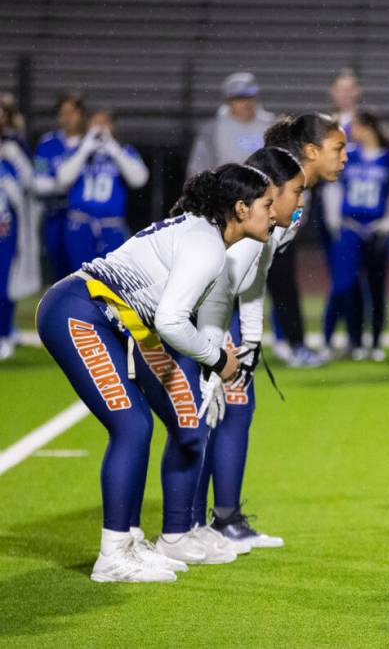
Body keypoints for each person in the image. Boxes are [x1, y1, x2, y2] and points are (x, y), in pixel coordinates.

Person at [35, 164, 275, 582]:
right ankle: (113, 555)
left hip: (111, 318)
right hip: (82, 311)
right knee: (131, 426)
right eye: (267, 204)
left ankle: (128, 542)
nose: (274, 213)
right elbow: (170, 321)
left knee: (157, 421)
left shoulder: (203, 234)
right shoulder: (208, 246)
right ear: (240, 207)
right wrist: (217, 358)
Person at [192, 115, 347, 548]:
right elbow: (225, 270)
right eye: (338, 147)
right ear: (311, 151)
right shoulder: (273, 189)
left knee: (231, 408)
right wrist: (214, 342)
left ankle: (216, 520)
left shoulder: (293, 197)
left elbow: (255, 270)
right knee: (213, 411)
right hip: (201, 307)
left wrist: (254, 337)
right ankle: (195, 525)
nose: (345, 157)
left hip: (219, 308)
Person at [322, 110, 389, 361]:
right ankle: (354, 341)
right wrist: (334, 220)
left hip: (378, 227)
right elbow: (333, 187)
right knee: (346, 286)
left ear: (367, 127)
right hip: (351, 227)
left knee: (377, 288)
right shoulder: (348, 155)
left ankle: (375, 342)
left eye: (355, 125)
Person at [56, 109, 148, 270]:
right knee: (79, 278)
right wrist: (84, 150)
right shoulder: (77, 149)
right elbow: (63, 178)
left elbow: (139, 179)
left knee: (111, 279)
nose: (99, 128)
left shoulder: (124, 151)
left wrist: (115, 151)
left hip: (111, 227)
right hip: (80, 225)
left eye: (104, 123)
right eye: (95, 123)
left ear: (112, 127)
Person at [34, 93, 88, 281]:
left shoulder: (91, 143)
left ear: (81, 114)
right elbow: (39, 183)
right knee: (60, 273)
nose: (67, 118)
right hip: (56, 214)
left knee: (85, 273)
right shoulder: (49, 143)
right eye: (62, 113)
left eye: (71, 112)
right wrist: (64, 184)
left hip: (85, 218)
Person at [0, 93, 33, 361]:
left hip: (3, 225)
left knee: (3, 282)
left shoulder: (12, 147)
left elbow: (26, 183)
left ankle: (4, 331)